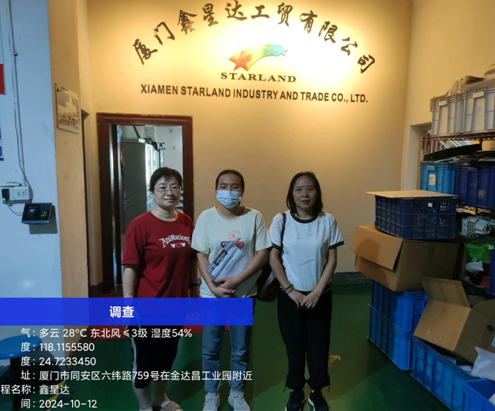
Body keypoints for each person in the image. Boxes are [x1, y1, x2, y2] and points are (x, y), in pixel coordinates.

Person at [192, 169, 271, 411]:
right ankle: (211, 393)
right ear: (216, 189)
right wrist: (212, 286)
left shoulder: (254, 217)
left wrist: (237, 280)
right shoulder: (206, 217)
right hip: (212, 295)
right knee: (210, 347)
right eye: (223, 186)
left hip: (243, 293)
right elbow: (201, 254)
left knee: (241, 347)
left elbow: (262, 254)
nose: (229, 191)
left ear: (242, 190)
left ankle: (236, 392)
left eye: (234, 186)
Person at [122, 167, 198, 411]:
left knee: (167, 357)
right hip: (146, 309)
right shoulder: (140, 225)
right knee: (144, 362)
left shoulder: (186, 222)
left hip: (176, 305)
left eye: (175, 186)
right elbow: (130, 267)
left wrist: (194, 291)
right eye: (163, 187)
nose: (169, 192)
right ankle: (145, 406)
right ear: (152, 192)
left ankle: (160, 398)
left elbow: (192, 261)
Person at [269, 171, 344, 411]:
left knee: (319, 347)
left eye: (310, 188)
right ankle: (296, 391)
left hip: (320, 297)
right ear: (291, 194)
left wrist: (317, 292)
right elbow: (273, 258)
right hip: (290, 298)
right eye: (298, 189)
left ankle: (317, 391)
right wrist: (290, 290)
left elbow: (332, 260)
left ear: (317, 192)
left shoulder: (327, 221)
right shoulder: (281, 220)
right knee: (294, 347)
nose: (304, 194)